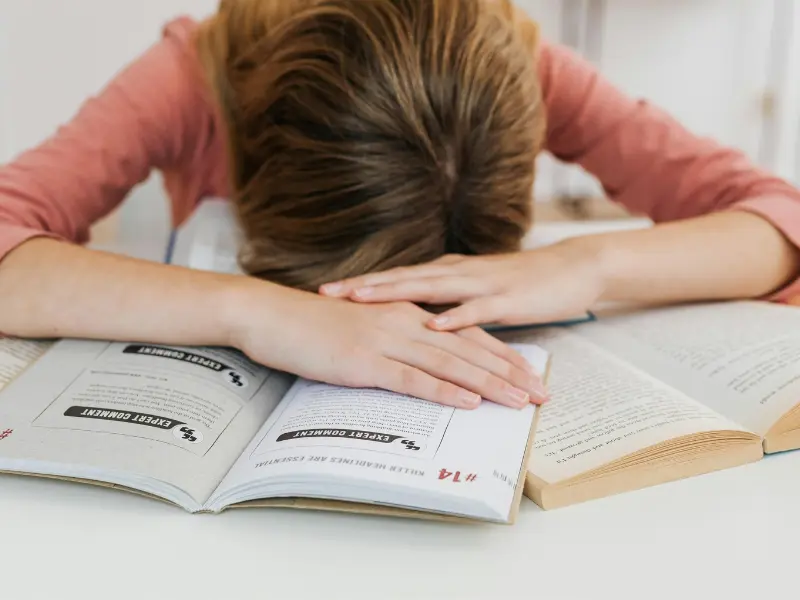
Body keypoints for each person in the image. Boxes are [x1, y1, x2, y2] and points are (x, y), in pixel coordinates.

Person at [0, 0, 798, 412]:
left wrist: (583, 265)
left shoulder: (520, 64)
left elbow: (779, 216)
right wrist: (257, 314)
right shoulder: (196, 71)